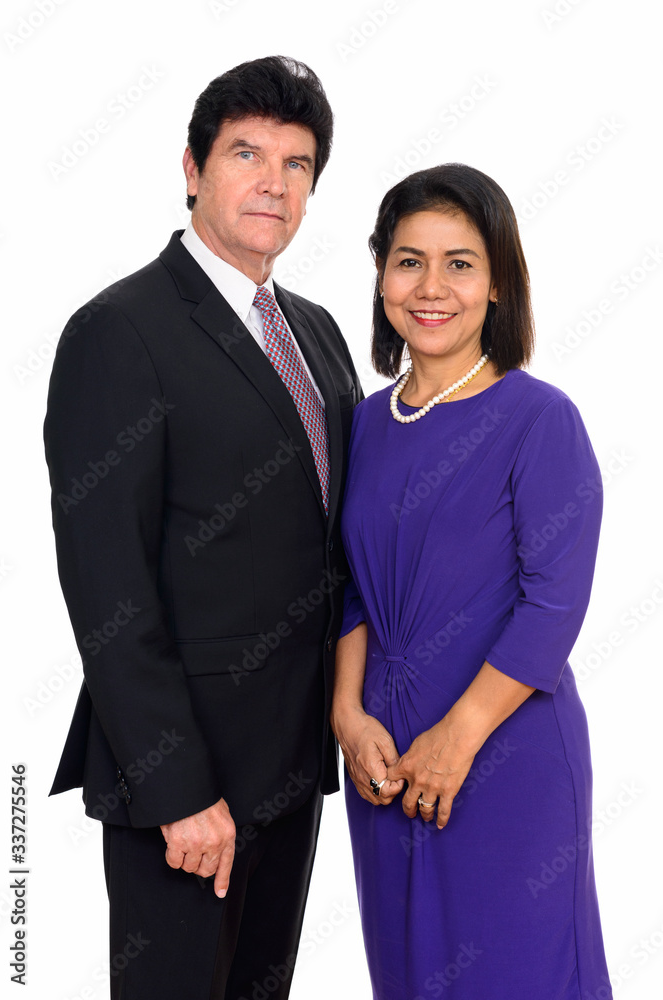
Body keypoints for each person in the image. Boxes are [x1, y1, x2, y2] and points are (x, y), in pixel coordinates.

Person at [43, 56, 362, 1000]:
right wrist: (176, 790)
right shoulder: (120, 329)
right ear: (192, 168)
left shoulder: (316, 331)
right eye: (246, 154)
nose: (274, 183)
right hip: (184, 787)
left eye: (296, 164)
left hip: (293, 768)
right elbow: (105, 581)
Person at [331, 163, 612, 1000]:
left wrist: (456, 741)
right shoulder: (363, 423)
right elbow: (349, 585)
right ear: (381, 273)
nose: (431, 287)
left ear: (496, 285)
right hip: (381, 759)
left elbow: (552, 604)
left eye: (459, 263)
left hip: (504, 756)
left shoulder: (539, 419)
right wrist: (345, 715)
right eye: (408, 261)